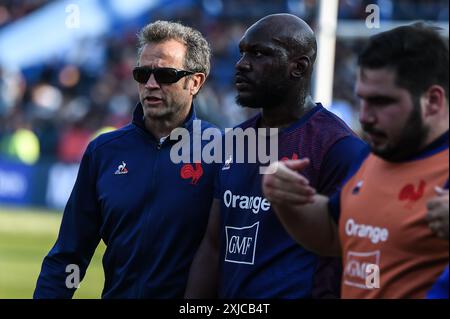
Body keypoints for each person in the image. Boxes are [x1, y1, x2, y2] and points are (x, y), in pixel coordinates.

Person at [185, 13, 366, 299]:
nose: (241, 64)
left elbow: (355, 254)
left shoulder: (339, 148)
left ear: (299, 67)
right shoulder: (234, 141)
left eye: (259, 54)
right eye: (242, 52)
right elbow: (213, 245)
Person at [262, 23, 449, 298]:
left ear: (432, 101)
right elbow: (333, 235)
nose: (364, 116)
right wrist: (287, 200)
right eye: (361, 100)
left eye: (382, 102)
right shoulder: (374, 155)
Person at [34, 20, 217, 298]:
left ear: (195, 82)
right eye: (143, 74)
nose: (151, 84)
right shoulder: (104, 152)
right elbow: (70, 256)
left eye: (165, 75)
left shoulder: (224, 152)